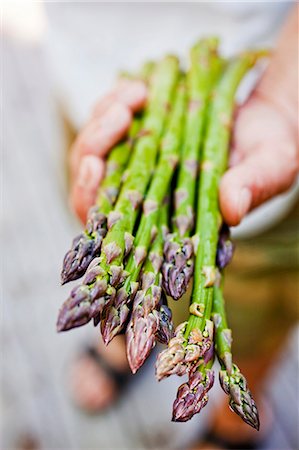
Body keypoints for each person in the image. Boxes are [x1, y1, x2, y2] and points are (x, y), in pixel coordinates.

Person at [61, 3, 297, 447]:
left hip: (268, 73)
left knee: (258, 316)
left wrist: (285, 98)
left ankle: (235, 416)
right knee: (116, 228)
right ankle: (123, 320)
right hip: (94, 79)